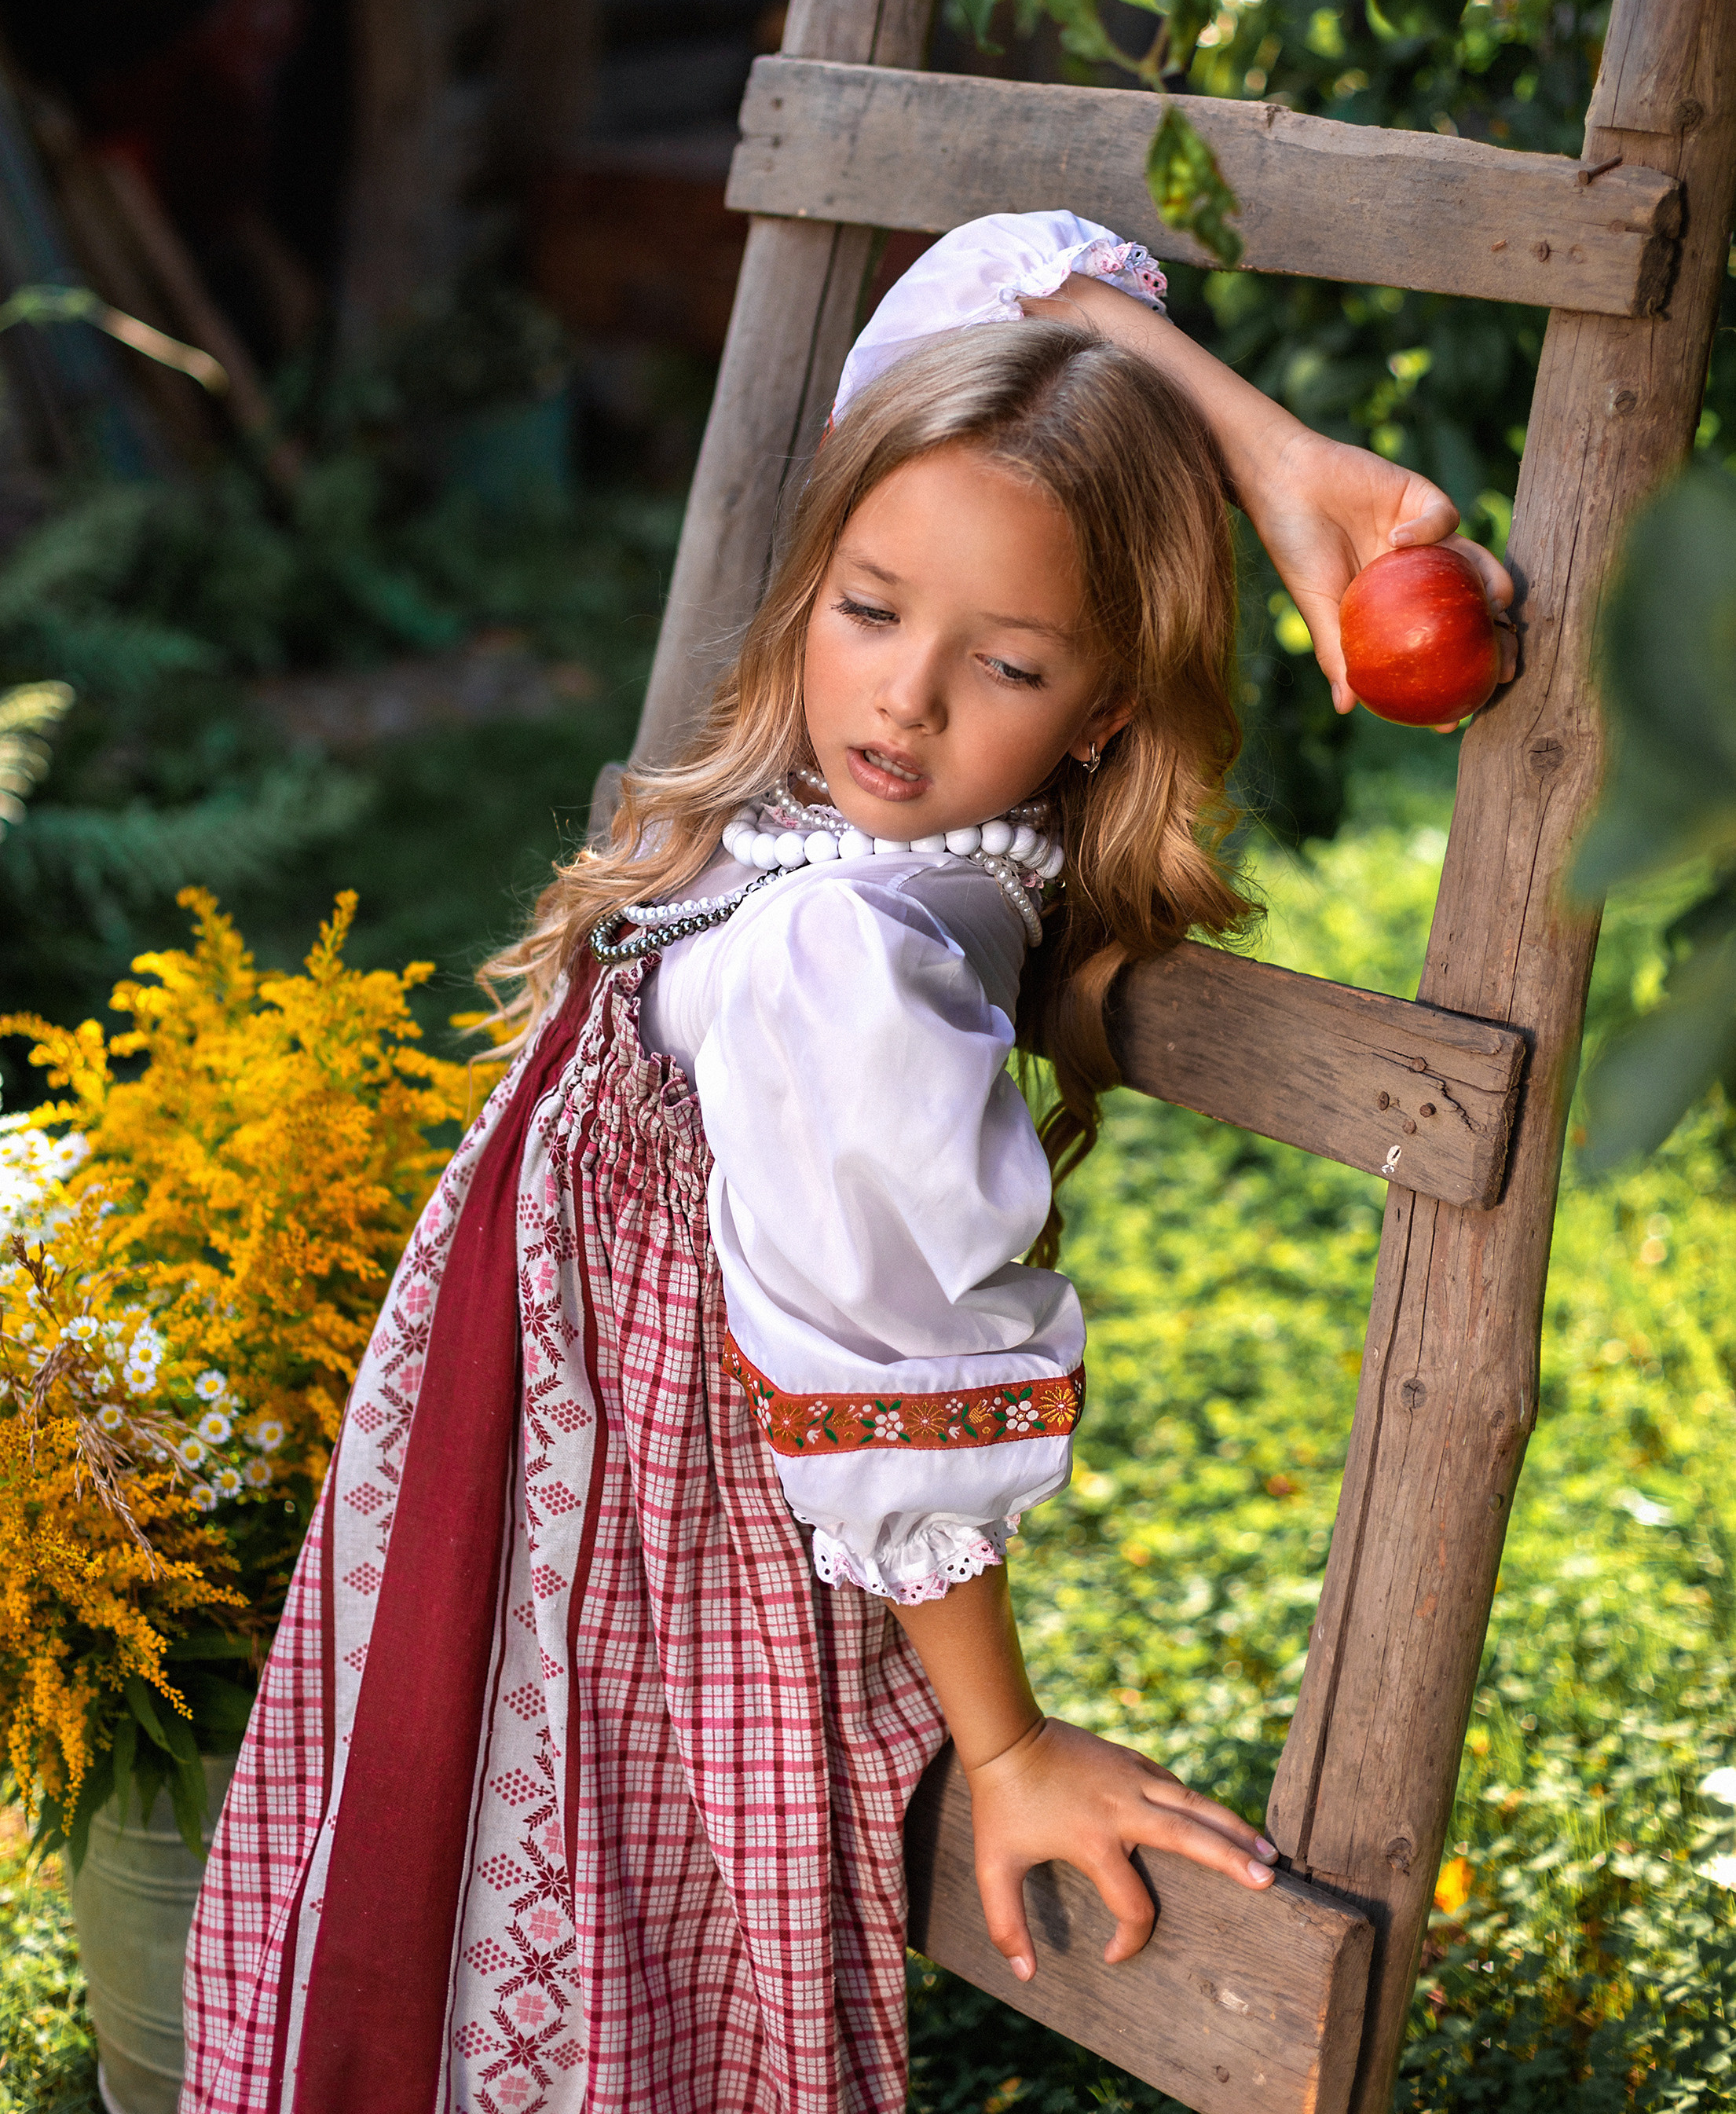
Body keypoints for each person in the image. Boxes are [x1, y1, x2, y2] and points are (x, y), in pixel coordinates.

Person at [181, 213, 1514, 2114]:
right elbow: (993, 275)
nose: (901, 698)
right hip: (554, 1485)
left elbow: (889, 1365)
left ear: (1106, 709)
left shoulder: (855, 956)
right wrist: (1277, 460)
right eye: (872, 611)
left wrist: (1007, 1740)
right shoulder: (841, 842)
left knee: (588, 1971)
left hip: (645, 1555)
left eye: (1007, 664)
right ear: (819, 567)